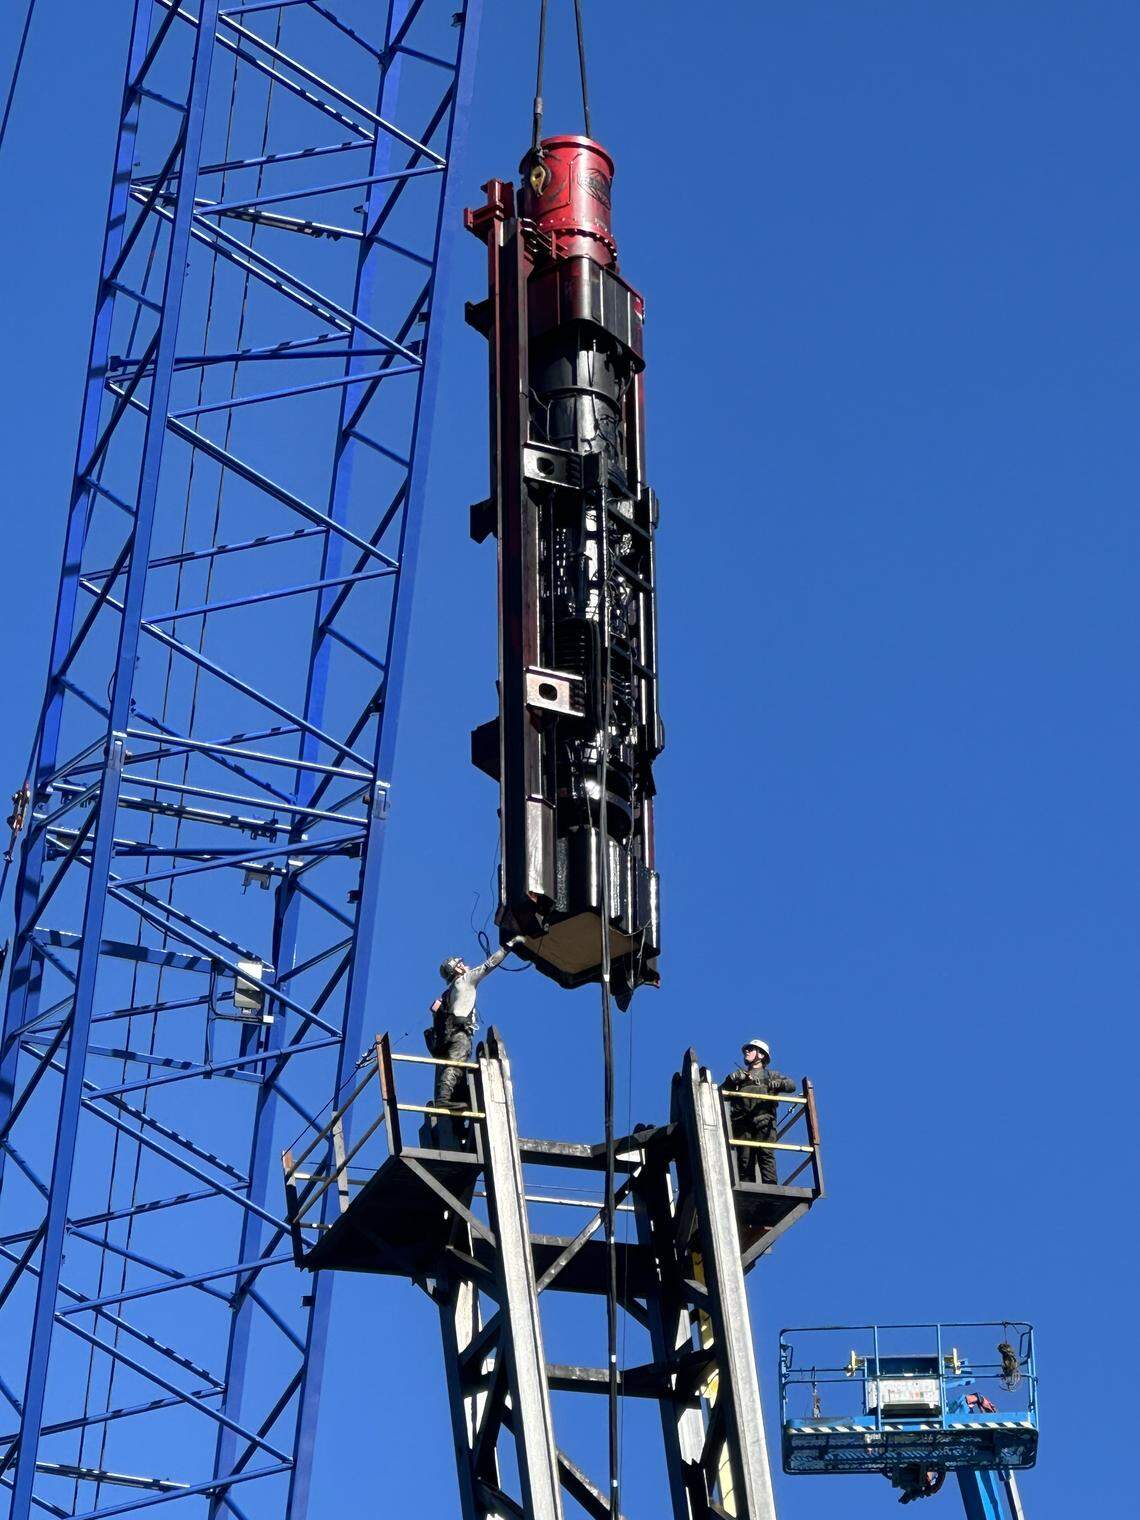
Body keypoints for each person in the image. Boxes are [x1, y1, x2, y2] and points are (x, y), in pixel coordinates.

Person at [431, 938, 524, 1106]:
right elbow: (488, 965)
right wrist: (508, 947)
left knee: (460, 1068)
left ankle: (454, 1106)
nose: (465, 964)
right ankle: (443, 1099)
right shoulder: (465, 980)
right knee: (457, 1063)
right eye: (461, 963)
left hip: (451, 1035)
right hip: (460, 1034)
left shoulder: (449, 992)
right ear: (456, 968)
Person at [722, 1038, 796, 1184]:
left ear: (761, 1055)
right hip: (742, 1123)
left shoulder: (771, 1075)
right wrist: (731, 1080)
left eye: (751, 1049)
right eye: (746, 1050)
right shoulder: (739, 1077)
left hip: (764, 1121)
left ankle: (771, 1188)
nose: (746, 1052)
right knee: (744, 1159)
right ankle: (747, 1188)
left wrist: (780, 1083)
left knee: (765, 1154)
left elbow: (792, 1085)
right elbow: (720, 1092)